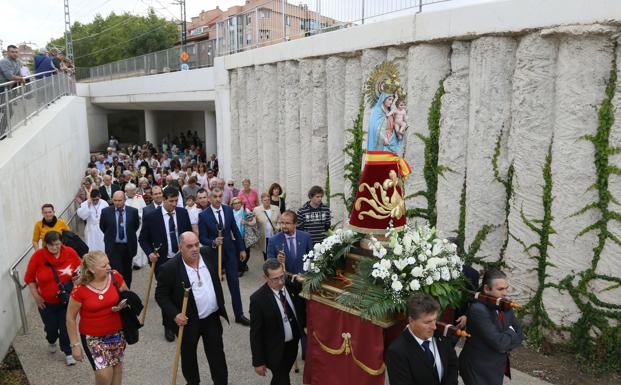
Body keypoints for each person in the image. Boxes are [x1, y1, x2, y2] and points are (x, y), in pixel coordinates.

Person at [155, 232, 229, 385]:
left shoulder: (207, 254)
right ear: (180, 247)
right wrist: (175, 315)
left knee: (217, 357)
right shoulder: (169, 268)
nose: (195, 249)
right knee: (189, 358)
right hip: (188, 322)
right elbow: (161, 296)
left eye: (196, 244)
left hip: (211, 318)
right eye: (189, 246)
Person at [66, 251, 129, 385]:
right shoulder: (80, 289)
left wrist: (122, 304)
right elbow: (70, 317)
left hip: (117, 334)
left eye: (108, 263)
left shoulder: (115, 276)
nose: (108, 267)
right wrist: (74, 345)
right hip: (93, 338)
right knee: (104, 376)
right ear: (91, 270)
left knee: (117, 370)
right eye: (103, 266)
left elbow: (127, 296)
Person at [139, 187, 192, 341]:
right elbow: (143, 238)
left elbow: (188, 233)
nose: (174, 204)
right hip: (162, 261)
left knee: (183, 289)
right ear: (163, 199)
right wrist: (150, 253)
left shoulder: (182, 213)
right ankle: (168, 325)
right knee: (165, 293)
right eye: (171, 201)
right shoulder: (151, 216)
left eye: (176, 200)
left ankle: (183, 318)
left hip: (180, 257)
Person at [24, 231, 81, 366]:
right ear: (46, 245)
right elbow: (29, 278)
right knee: (51, 328)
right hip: (46, 302)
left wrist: (77, 279)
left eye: (57, 244)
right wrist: (36, 296)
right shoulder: (38, 256)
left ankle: (67, 352)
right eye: (51, 245)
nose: (55, 248)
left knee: (65, 327)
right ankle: (51, 339)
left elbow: (80, 267)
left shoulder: (70, 252)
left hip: (66, 300)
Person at [459, 269, 523, 385]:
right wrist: (511, 332)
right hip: (478, 368)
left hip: (495, 366)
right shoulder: (478, 310)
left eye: (506, 288)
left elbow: (520, 333)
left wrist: (507, 338)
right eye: (500, 289)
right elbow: (499, 343)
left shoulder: (504, 303)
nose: (505, 293)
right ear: (486, 289)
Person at [198, 188, 250, 326]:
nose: (218, 199)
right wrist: (213, 242)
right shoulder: (203, 215)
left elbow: (235, 230)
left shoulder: (228, 210)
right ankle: (217, 314)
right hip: (214, 255)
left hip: (230, 253)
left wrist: (241, 248)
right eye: (214, 196)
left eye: (220, 196)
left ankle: (239, 314)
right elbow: (202, 237)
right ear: (210, 198)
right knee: (215, 286)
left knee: (234, 284)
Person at [250, 259, 305, 385]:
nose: (280, 282)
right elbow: (255, 334)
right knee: (282, 379)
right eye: (275, 279)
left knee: (281, 376)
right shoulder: (258, 300)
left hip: (292, 345)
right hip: (274, 350)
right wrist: (258, 362)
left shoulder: (292, 286)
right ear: (265, 277)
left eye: (282, 276)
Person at [386, 293, 459, 385]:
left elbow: (452, 365)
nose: (434, 327)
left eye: (434, 320)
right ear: (411, 321)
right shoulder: (397, 351)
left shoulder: (441, 336)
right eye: (427, 322)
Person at [99, 191, 140, 288]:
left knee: (127, 272)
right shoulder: (106, 212)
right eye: (115, 200)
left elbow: (135, 226)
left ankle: (127, 292)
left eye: (120, 200)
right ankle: (117, 292)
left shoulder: (133, 211)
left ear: (124, 200)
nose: (117, 203)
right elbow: (103, 227)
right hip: (113, 247)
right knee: (116, 272)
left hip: (127, 246)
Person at [267, 210, 312, 275]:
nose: (284, 226)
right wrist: (277, 261)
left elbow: (311, 257)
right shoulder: (273, 240)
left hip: (303, 278)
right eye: (282, 223)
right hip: (284, 279)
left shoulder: (305, 237)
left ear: (295, 224)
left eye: (287, 223)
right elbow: (269, 263)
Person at [124, 183, 147, 269]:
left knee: (137, 243)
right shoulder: (123, 198)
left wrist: (140, 216)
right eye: (131, 191)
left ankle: (137, 262)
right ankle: (130, 261)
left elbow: (144, 209)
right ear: (126, 191)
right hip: (127, 225)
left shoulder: (139, 197)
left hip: (138, 224)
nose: (134, 192)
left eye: (134, 190)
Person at [253, 193, 281, 260]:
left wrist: (277, 228)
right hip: (263, 236)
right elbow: (254, 223)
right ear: (262, 201)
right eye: (265, 200)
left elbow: (280, 221)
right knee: (266, 252)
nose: (267, 201)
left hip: (274, 235)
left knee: (275, 251)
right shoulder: (256, 210)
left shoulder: (276, 208)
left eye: (268, 199)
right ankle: (268, 266)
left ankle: (275, 266)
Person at [232, 197, 254, 276]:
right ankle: (240, 268)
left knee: (247, 252)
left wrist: (246, 222)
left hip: (245, 235)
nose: (237, 204)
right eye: (235, 203)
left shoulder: (246, 210)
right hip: (235, 236)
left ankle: (244, 264)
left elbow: (253, 222)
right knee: (237, 253)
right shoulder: (231, 213)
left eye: (239, 202)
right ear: (232, 205)